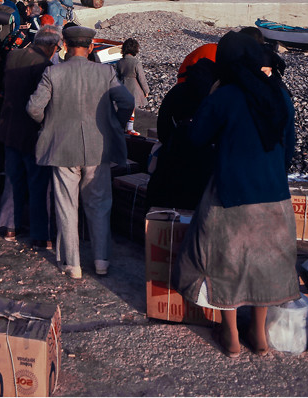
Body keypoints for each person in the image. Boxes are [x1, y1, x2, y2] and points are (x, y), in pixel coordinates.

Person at [173, 31, 298, 358]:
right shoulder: (280, 94)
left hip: (230, 195)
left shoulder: (224, 96)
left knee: (224, 265)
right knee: (264, 265)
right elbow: (289, 149)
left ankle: (230, 337)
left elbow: (198, 137)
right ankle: (258, 336)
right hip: (275, 196)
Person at [26, 25, 134, 278]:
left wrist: (49, 123)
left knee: (66, 205)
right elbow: (127, 101)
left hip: (62, 148)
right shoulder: (105, 72)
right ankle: (101, 260)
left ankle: (73, 264)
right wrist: (114, 124)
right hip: (98, 149)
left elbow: (33, 108)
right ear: (91, 46)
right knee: (99, 205)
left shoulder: (53, 73)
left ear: (65, 46)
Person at [0, 25, 62, 247]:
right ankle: (40, 235)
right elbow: (40, 104)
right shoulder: (44, 66)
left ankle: (9, 226)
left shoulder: (13, 55)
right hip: (32, 133)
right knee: (38, 184)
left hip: (9, 128)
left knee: (13, 179)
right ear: (52, 46)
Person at [146, 55, 219, 211]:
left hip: (172, 158)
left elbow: (162, 129)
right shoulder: (213, 97)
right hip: (202, 164)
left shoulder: (177, 91)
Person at [116, 38, 150, 135]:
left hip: (122, 86)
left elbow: (117, 76)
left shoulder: (120, 62)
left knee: (123, 109)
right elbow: (141, 78)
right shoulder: (136, 62)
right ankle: (130, 129)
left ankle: (122, 127)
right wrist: (146, 90)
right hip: (134, 87)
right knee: (132, 109)